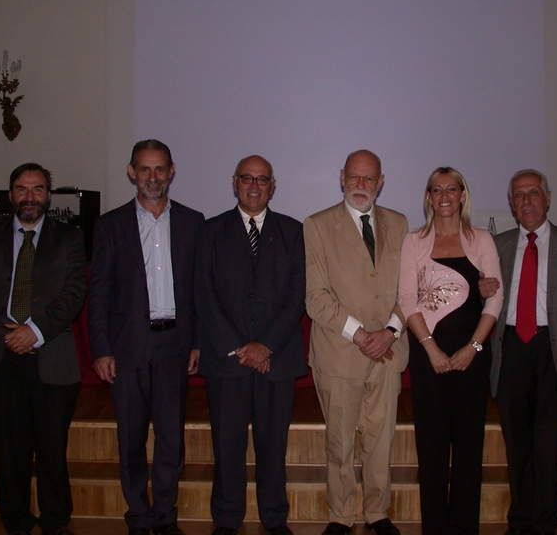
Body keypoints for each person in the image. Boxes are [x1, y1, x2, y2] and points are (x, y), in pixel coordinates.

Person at [88, 140, 204, 535]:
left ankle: (166, 517)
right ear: (131, 171)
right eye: (145, 169)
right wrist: (101, 349)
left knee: (171, 440)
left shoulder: (193, 221)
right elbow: (99, 292)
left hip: (174, 344)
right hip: (128, 347)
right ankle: (138, 516)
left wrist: (197, 341)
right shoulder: (109, 225)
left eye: (160, 169)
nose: (152, 177)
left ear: (171, 171)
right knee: (131, 439)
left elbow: (199, 290)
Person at [0, 163, 87, 535]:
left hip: (51, 358)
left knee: (51, 448)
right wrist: (7, 333)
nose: (30, 196)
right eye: (22, 189)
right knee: (9, 449)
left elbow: (74, 293)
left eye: (37, 189)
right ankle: (15, 520)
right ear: (11, 195)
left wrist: (34, 331)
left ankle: (54, 520)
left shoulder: (69, 237)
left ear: (49, 196)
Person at [483, 169, 557, 535]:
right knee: (517, 444)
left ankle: (546, 523)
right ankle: (519, 522)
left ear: (548, 198)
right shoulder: (496, 245)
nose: (527, 201)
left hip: (556, 353)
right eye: (519, 195)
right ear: (511, 204)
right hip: (512, 349)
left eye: (533, 193)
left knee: (549, 445)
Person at [199, 155, 307, 535]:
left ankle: (274, 519)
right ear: (235, 183)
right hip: (227, 361)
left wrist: (266, 346)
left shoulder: (294, 232)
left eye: (263, 179)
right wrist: (240, 347)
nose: (255, 185)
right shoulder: (210, 231)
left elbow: (297, 295)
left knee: (272, 448)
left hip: (276, 360)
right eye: (247, 178)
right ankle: (227, 520)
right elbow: (204, 294)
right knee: (226, 447)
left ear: (273, 185)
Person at [304, 150, 408, 535]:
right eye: (354, 177)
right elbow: (316, 297)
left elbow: (408, 289)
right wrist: (362, 335)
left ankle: (377, 513)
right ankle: (341, 516)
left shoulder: (399, 223)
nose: (361, 185)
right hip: (340, 353)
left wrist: (391, 332)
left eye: (369, 179)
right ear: (342, 178)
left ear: (381, 182)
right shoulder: (316, 226)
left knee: (381, 444)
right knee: (340, 445)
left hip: (388, 353)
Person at [398, 167, 503, 535]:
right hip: (430, 361)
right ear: (428, 197)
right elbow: (408, 301)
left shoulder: (481, 240)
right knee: (432, 451)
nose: (444, 195)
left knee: (469, 450)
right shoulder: (413, 241)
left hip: (472, 360)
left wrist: (474, 347)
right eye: (437, 189)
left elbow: (494, 299)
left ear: (462, 195)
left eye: (452, 189)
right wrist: (431, 349)